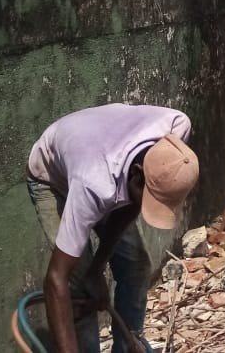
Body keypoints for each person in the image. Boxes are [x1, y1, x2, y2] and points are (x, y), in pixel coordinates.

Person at [27, 103, 200, 352]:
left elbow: (128, 206)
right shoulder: (94, 185)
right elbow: (56, 279)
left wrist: (97, 270)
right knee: (78, 288)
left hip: (102, 156)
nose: (146, 206)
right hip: (53, 179)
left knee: (136, 266)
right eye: (149, 199)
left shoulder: (176, 136)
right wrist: (89, 275)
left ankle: (130, 345)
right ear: (137, 175)